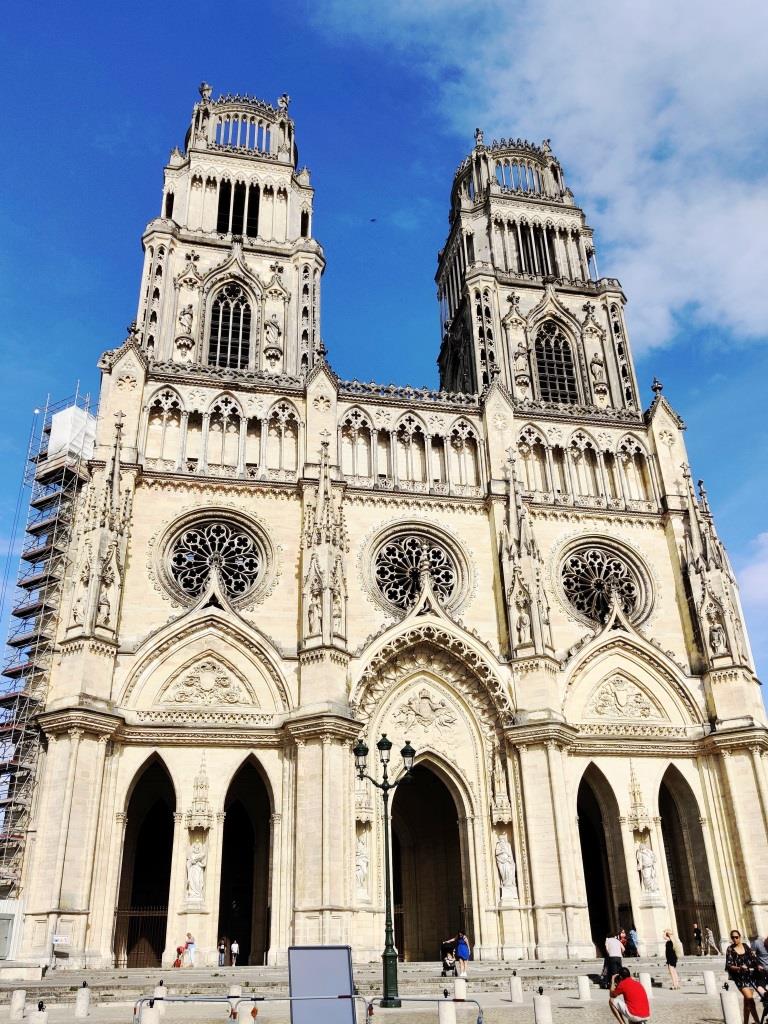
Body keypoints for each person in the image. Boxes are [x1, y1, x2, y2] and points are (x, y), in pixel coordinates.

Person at [725, 928, 767, 1024]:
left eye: (736, 937)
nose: (734, 939)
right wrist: (739, 968)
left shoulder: (745, 946)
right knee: (750, 1001)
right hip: (740, 978)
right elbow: (729, 965)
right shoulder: (730, 949)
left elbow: (753, 958)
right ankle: (758, 1022)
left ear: (740, 937)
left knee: (747, 1002)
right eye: (732, 937)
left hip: (750, 976)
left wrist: (758, 966)